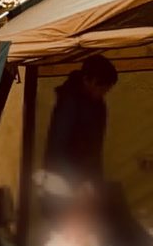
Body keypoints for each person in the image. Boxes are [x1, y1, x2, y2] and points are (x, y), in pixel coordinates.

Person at [42, 54, 118, 188]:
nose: (103, 93)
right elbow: (57, 147)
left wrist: (94, 181)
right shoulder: (69, 103)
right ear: (87, 80)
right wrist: (75, 183)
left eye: (106, 89)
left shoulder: (98, 105)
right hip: (64, 180)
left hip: (83, 178)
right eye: (101, 88)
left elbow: (95, 148)